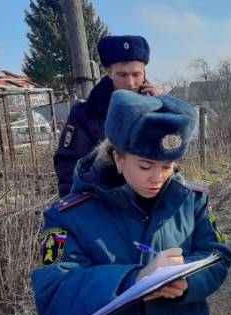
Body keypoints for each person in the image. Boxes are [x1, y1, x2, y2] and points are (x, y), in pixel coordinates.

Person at [32, 90, 231, 315]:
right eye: (145, 166)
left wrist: (187, 282)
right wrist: (134, 280)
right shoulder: (68, 217)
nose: (158, 178)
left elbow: (219, 255)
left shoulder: (191, 201)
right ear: (118, 158)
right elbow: (52, 291)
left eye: (168, 166)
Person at [54, 35, 161, 196]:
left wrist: (161, 111)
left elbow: (168, 161)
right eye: (122, 75)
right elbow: (68, 168)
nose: (131, 83)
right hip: (102, 204)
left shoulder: (158, 109)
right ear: (108, 72)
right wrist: (75, 211)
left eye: (136, 74)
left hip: (150, 204)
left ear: (144, 71)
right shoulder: (86, 114)